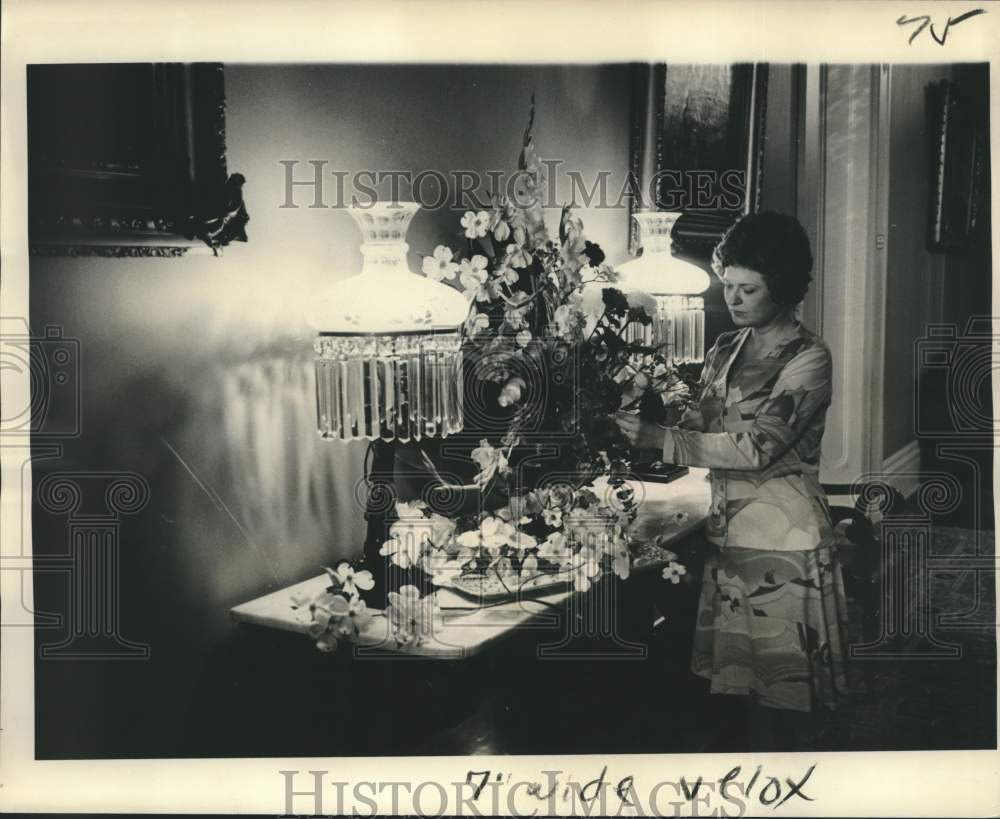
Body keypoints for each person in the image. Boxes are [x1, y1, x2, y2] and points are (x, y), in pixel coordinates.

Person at [616, 211, 851, 750]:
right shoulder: (725, 349)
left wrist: (662, 439)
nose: (734, 300)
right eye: (728, 286)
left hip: (784, 539)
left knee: (784, 700)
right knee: (740, 692)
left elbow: (758, 447)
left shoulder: (810, 358)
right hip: (728, 533)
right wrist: (652, 406)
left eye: (749, 289)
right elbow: (702, 425)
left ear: (785, 289)